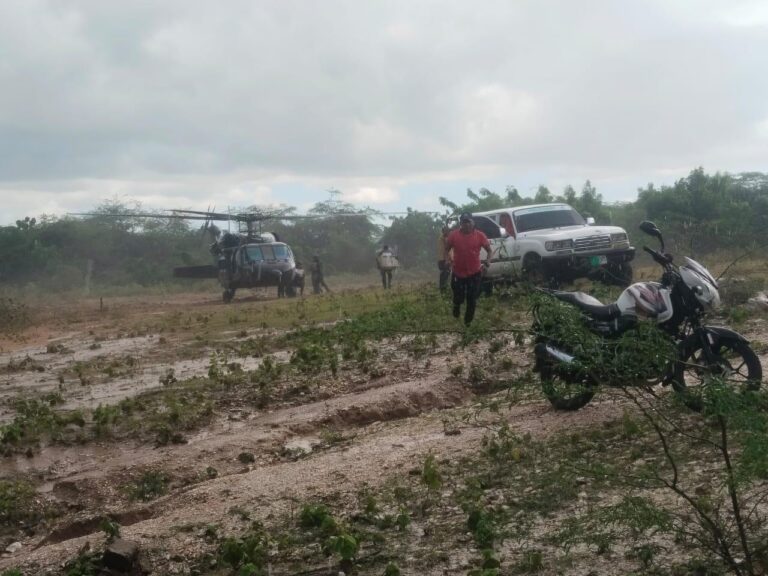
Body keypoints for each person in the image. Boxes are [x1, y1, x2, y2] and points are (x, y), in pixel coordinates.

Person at [445, 213, 491, 325]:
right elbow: (446, 249)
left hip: (474, 273)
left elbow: (489, 250)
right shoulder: (453, 235)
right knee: (458, 297)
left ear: (473, 223)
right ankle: (456, 307)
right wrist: (449, 260)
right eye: (464, 222)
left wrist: (487, 263)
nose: (466, 225)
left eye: (468, 222)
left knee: (472, 299)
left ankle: (468, 323)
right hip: (458, 272)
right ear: (460, 224)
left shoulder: (480, 236)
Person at [437, 225, 451, 292]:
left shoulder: (441, 237)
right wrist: (447, 260)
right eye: (447, 231)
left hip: (441, 259)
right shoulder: (445, 238)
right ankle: (443, 289)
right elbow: (446, 249)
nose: (448, 232)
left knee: (444, 274)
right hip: (444, 259)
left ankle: (442, 288)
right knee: (445, 273)